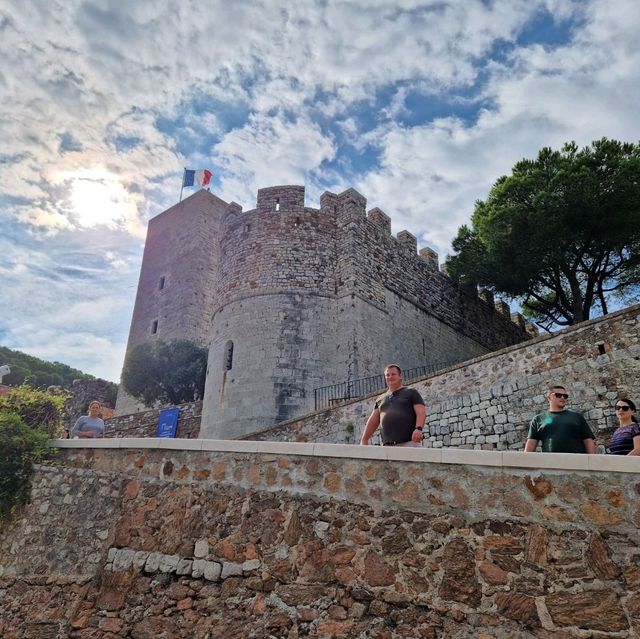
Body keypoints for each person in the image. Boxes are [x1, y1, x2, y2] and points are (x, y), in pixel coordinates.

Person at [360, 364, 425, 446]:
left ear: (400, 376)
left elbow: (421, 412)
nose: (390, 377)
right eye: (387, 375)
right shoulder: (380, 399)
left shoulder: (411, 392)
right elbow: (373, 421)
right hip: (388, 446)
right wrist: (364, 439)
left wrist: (418, 428)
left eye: (393, 374)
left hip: (409, 442)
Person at [524, 385, 595, 454]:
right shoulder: (538, 419)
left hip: (576, 462)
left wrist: (592, 461)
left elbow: (588, 440)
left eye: (565, 396)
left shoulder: (577, 417)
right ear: (549, 398)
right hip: (550, 463)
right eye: (558, 395)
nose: (562, 397)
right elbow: (531, 443)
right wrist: (525, 462)